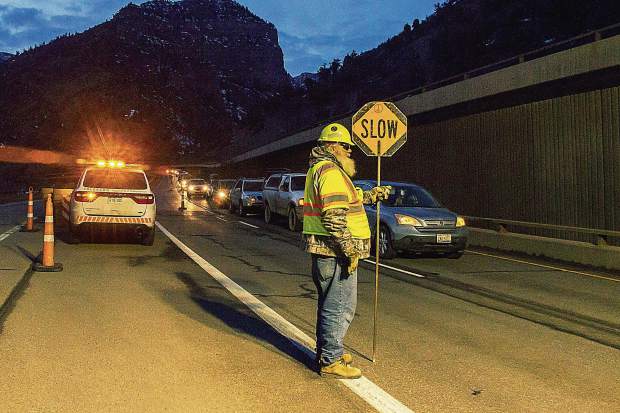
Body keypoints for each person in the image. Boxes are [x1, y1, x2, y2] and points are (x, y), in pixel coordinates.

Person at [302, 122, 390, 379]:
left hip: (327, 250)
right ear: (331, 146)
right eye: (345, 145)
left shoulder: (324, 170)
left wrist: (370, 195)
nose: (350, 150)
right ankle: (330, 359)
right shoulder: (330, 172)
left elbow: (346, 199)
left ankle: (330, 350)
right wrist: (350, 250)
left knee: (332, 303)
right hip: (335, 252)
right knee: (339, 306)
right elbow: (334, 216)